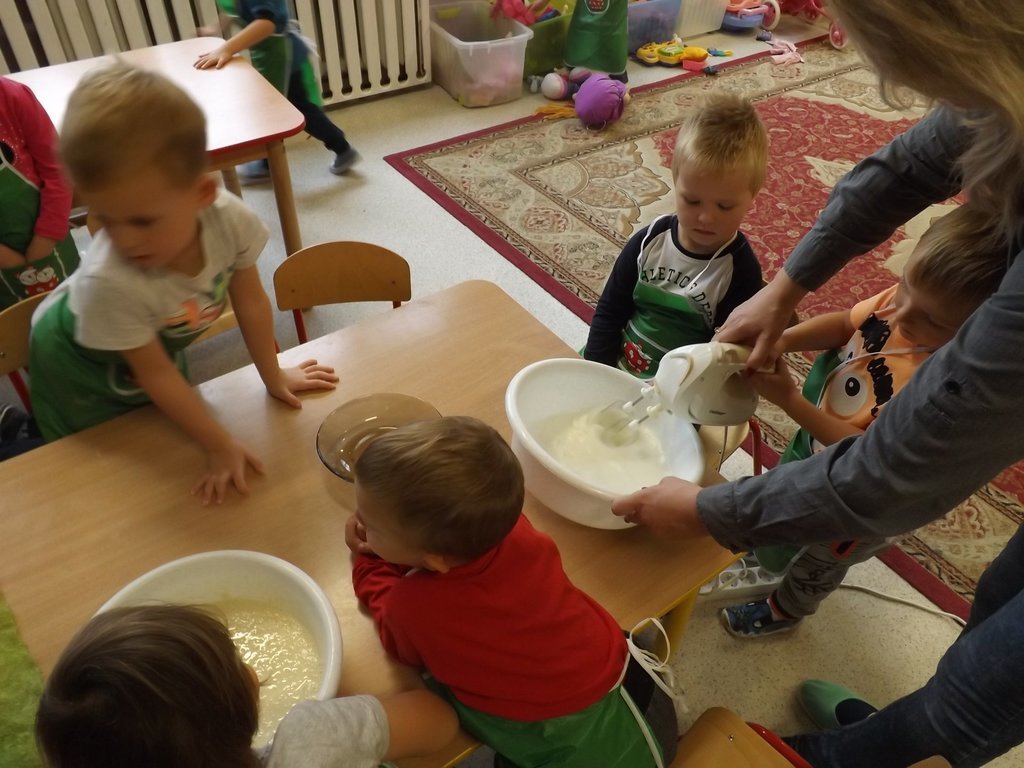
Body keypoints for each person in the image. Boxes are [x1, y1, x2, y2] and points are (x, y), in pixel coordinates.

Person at [610, 0, 1024, 764]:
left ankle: (854, 746)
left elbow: (884, 473)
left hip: (851, 504)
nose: (901, 312)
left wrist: (710, 510)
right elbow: (903, 177)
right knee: (1002, 602)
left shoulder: (946, 372)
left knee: (980, 694)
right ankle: (901, 724)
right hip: (833, 455)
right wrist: (785, 300)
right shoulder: (907, 301)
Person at [28, 63, 338, 504]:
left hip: (150, 338)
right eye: (104, 219)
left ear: (202, 194)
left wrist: (273, 375)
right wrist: (218, 444)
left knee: (162, 441)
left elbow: (250, 301)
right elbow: (155, 373)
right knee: (97, 475)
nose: (123, 241)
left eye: (142, 221)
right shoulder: (111, 279)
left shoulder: (230, 221)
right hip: (75, 363)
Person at [722, 205, 1007, 638]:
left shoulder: (941, 390)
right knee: (783, 502)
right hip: (817, 443)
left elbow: (864, 455)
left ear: (978, 331)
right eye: (905, 286)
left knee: (818, 562)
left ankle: (785, 610)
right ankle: (769, 549)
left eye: (931, 320)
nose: (902, 316)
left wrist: (789, 399)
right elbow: (844, 325)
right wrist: (783, 339)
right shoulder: (906, 304)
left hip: (860, 500)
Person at [346, 416, 678, 768]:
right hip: (646, 697)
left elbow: (398, 642)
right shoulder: (513, 529)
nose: (361, 522)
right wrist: (393, 540)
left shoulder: (411, 607)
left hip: (580, 751)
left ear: (436, 559)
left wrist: (368, 562)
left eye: (371, 523)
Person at [34, 604, 460, 768]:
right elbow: (439, 723)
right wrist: (357, 718)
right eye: (235, 659)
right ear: (251, 686)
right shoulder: (317, 739)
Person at [583, 91, 766, 378]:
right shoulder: (648, 241)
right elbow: (609, 311)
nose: (706, 217)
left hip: (684, 385)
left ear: (752, 198)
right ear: (676, 181)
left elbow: (727, 357)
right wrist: (597, 372)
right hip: (618, 365)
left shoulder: (740, 272)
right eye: (692, 201)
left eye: (724, 206)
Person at [195, 0, 360, 181]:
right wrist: (216, 28)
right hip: (271, 56)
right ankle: (268, 161)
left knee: (293, 111)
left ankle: (341, 149)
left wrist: (227, 48)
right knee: (275, 111)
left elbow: (267, 23)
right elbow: (235, 8)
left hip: (283, 58)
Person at [0, 75, 80, 310]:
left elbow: (58, 169)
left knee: (71, 310)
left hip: (49, 239)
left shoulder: (12, 97)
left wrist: (45, 239)